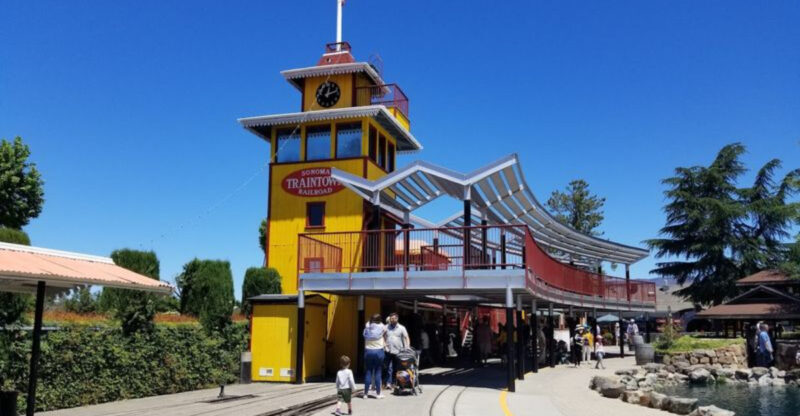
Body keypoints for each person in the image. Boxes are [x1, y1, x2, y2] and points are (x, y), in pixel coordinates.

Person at [384, 312, 410, 390]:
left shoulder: (402, 328)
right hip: (388, 350)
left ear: (397, 319)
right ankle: (388, 383)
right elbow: (382, 336)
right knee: (388, 368)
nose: (393, 320)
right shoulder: (386, 327)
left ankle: (395, 382)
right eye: (391, 318)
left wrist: (407, 347)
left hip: (398, 351)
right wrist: (384, 345)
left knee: (397, 368)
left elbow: (406, 337)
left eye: (394, 318)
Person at [363, 313, 386, 399]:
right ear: (379, 320)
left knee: (368, 372)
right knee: (378, 372)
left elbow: (368, 323)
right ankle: (378, 394)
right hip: (378, 351)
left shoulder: (367, 326)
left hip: (368, 351)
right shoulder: (382, 326)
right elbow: (385, 329)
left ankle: (365, 394)